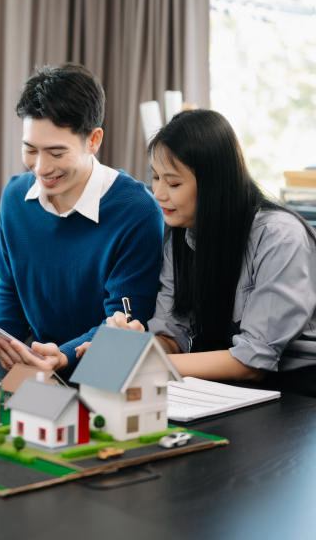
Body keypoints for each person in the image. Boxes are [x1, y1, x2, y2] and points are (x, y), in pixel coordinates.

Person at [91, 109, 316, 396]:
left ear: (214, 184)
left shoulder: (279, 237)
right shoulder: (181, 231)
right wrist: (131, 347)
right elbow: (174, 333)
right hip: (228, 386)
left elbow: (254, 361)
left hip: (299, 389)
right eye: (155, 177)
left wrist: (148, 364)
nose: (158, 193)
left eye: (173, 183)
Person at [0, 63, 164, 375]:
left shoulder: (137, 211)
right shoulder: (15, 199)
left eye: (56, 154)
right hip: (34, 376)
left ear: (93, 140)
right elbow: (10, 293)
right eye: (30, 150)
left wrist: (64, 356)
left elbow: (125, 321)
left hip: (105, 379)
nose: (41, 168)